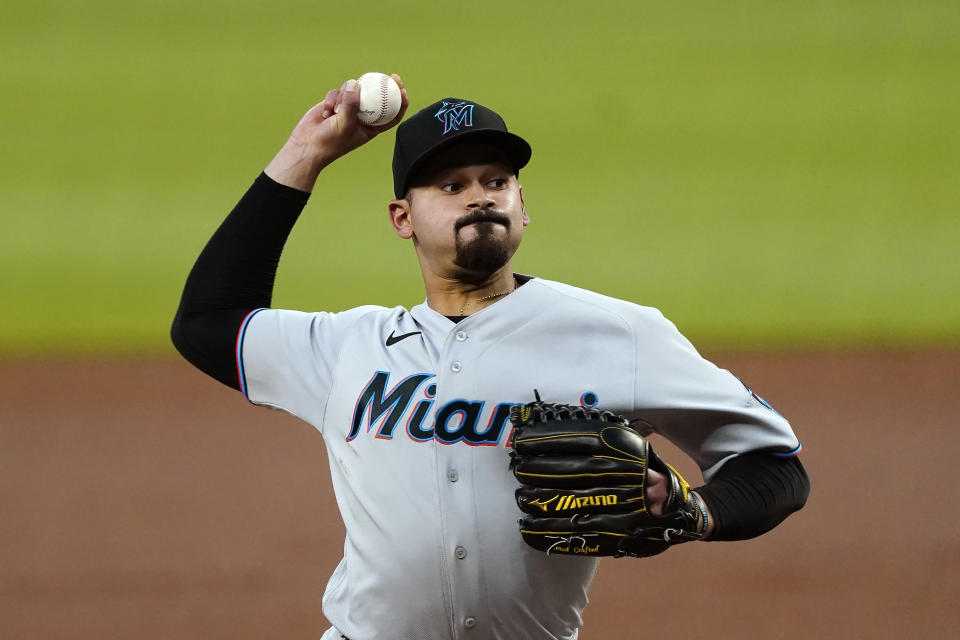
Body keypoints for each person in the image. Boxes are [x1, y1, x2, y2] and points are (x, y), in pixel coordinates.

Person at [171, 75, 809, 640]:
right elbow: (207, 323)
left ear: (522, 206)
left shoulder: (619, 333)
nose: (480, 197)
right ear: (402, 217)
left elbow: (776, 465)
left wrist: (694, 511)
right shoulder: (348, 349)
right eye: (451, 185)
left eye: (496, 182)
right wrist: (306, 155)